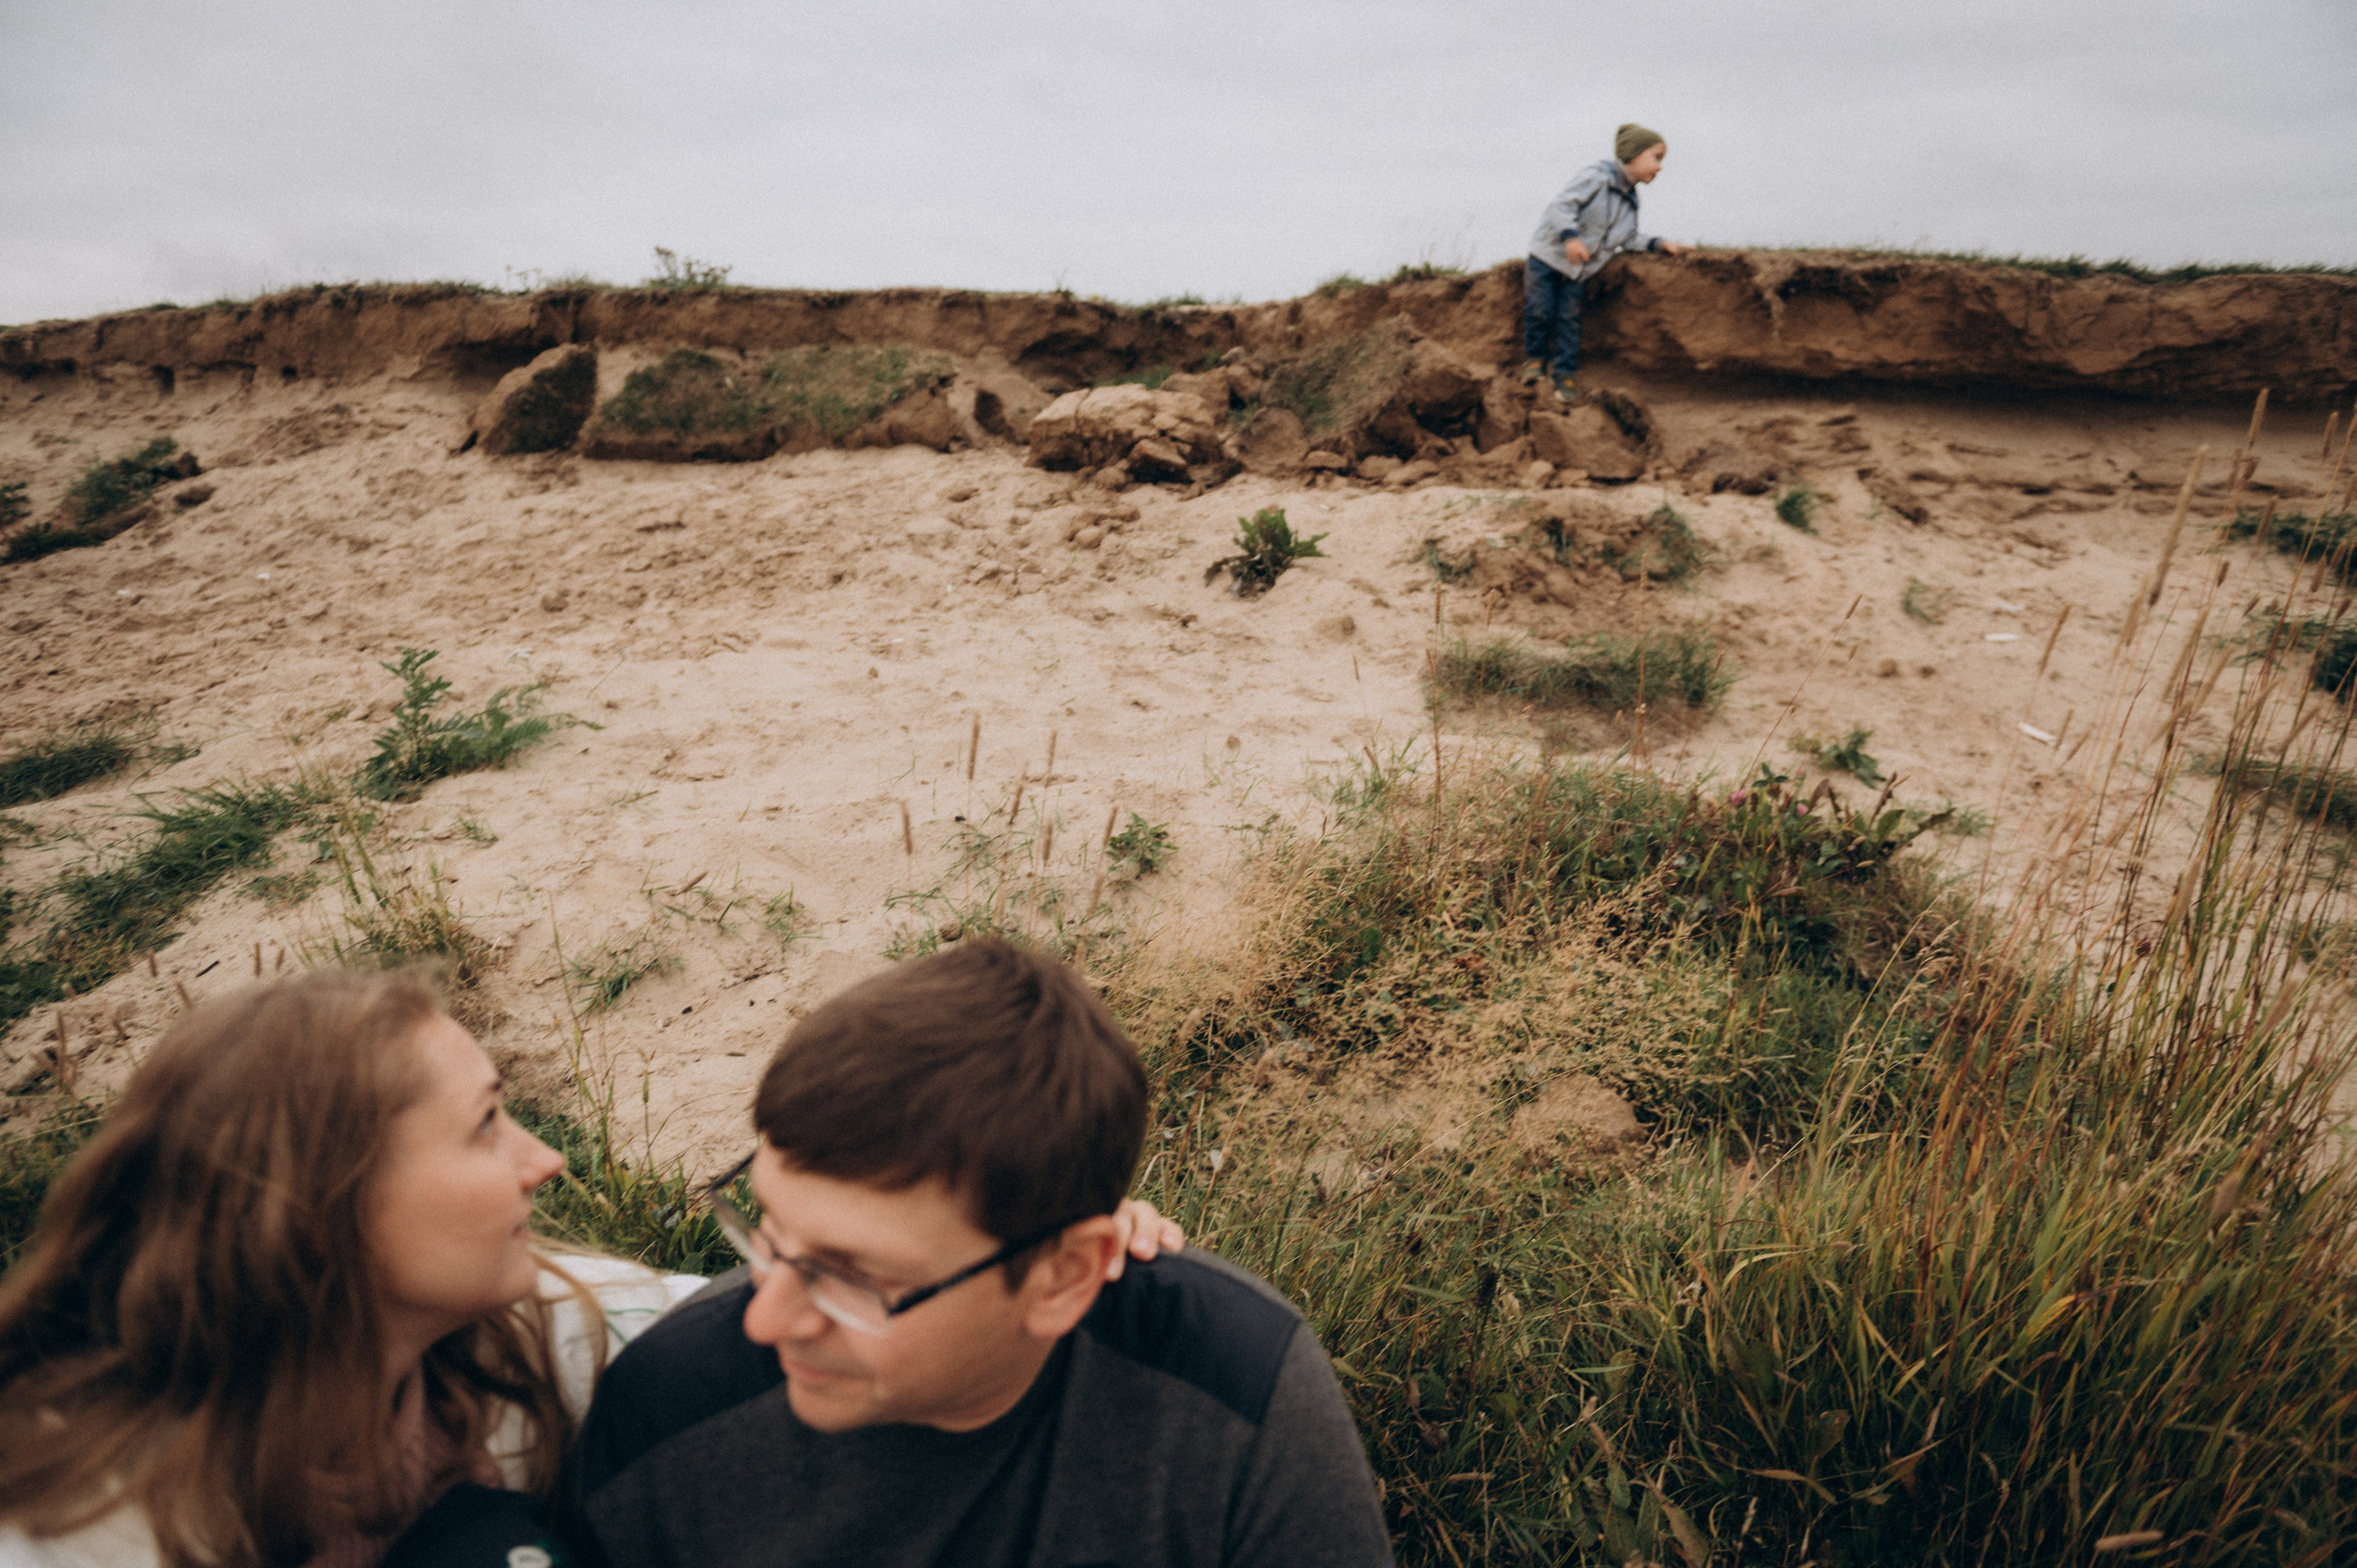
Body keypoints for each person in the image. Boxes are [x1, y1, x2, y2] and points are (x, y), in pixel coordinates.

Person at [0, 969, 1181, 1568]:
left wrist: (1042, 1250)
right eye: (486, 1124)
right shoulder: (78, 1519)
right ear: (322, 1207)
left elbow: (802, 1310)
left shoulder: (559, 1339)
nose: (543, 1158)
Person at [568, 937, 1395, 1568]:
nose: (764, 1316)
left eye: (850, 1277)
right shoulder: (670, 1414)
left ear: (1065, 1274)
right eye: (767, 1233)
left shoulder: (1230, 1392)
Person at [1522, 122, 1691, 401]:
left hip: (1579, 270)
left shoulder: (1630, 201)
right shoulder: (1596, 178)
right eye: (1656, 158)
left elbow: (1629, 238)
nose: (1660, 167)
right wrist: (1570, 237)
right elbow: (1562, 206)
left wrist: (1659, 244)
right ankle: (1534, 361)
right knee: (1540, 309)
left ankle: (1564, 375)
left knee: (1570, 319)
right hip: (1548, 257)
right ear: (1633, 155)